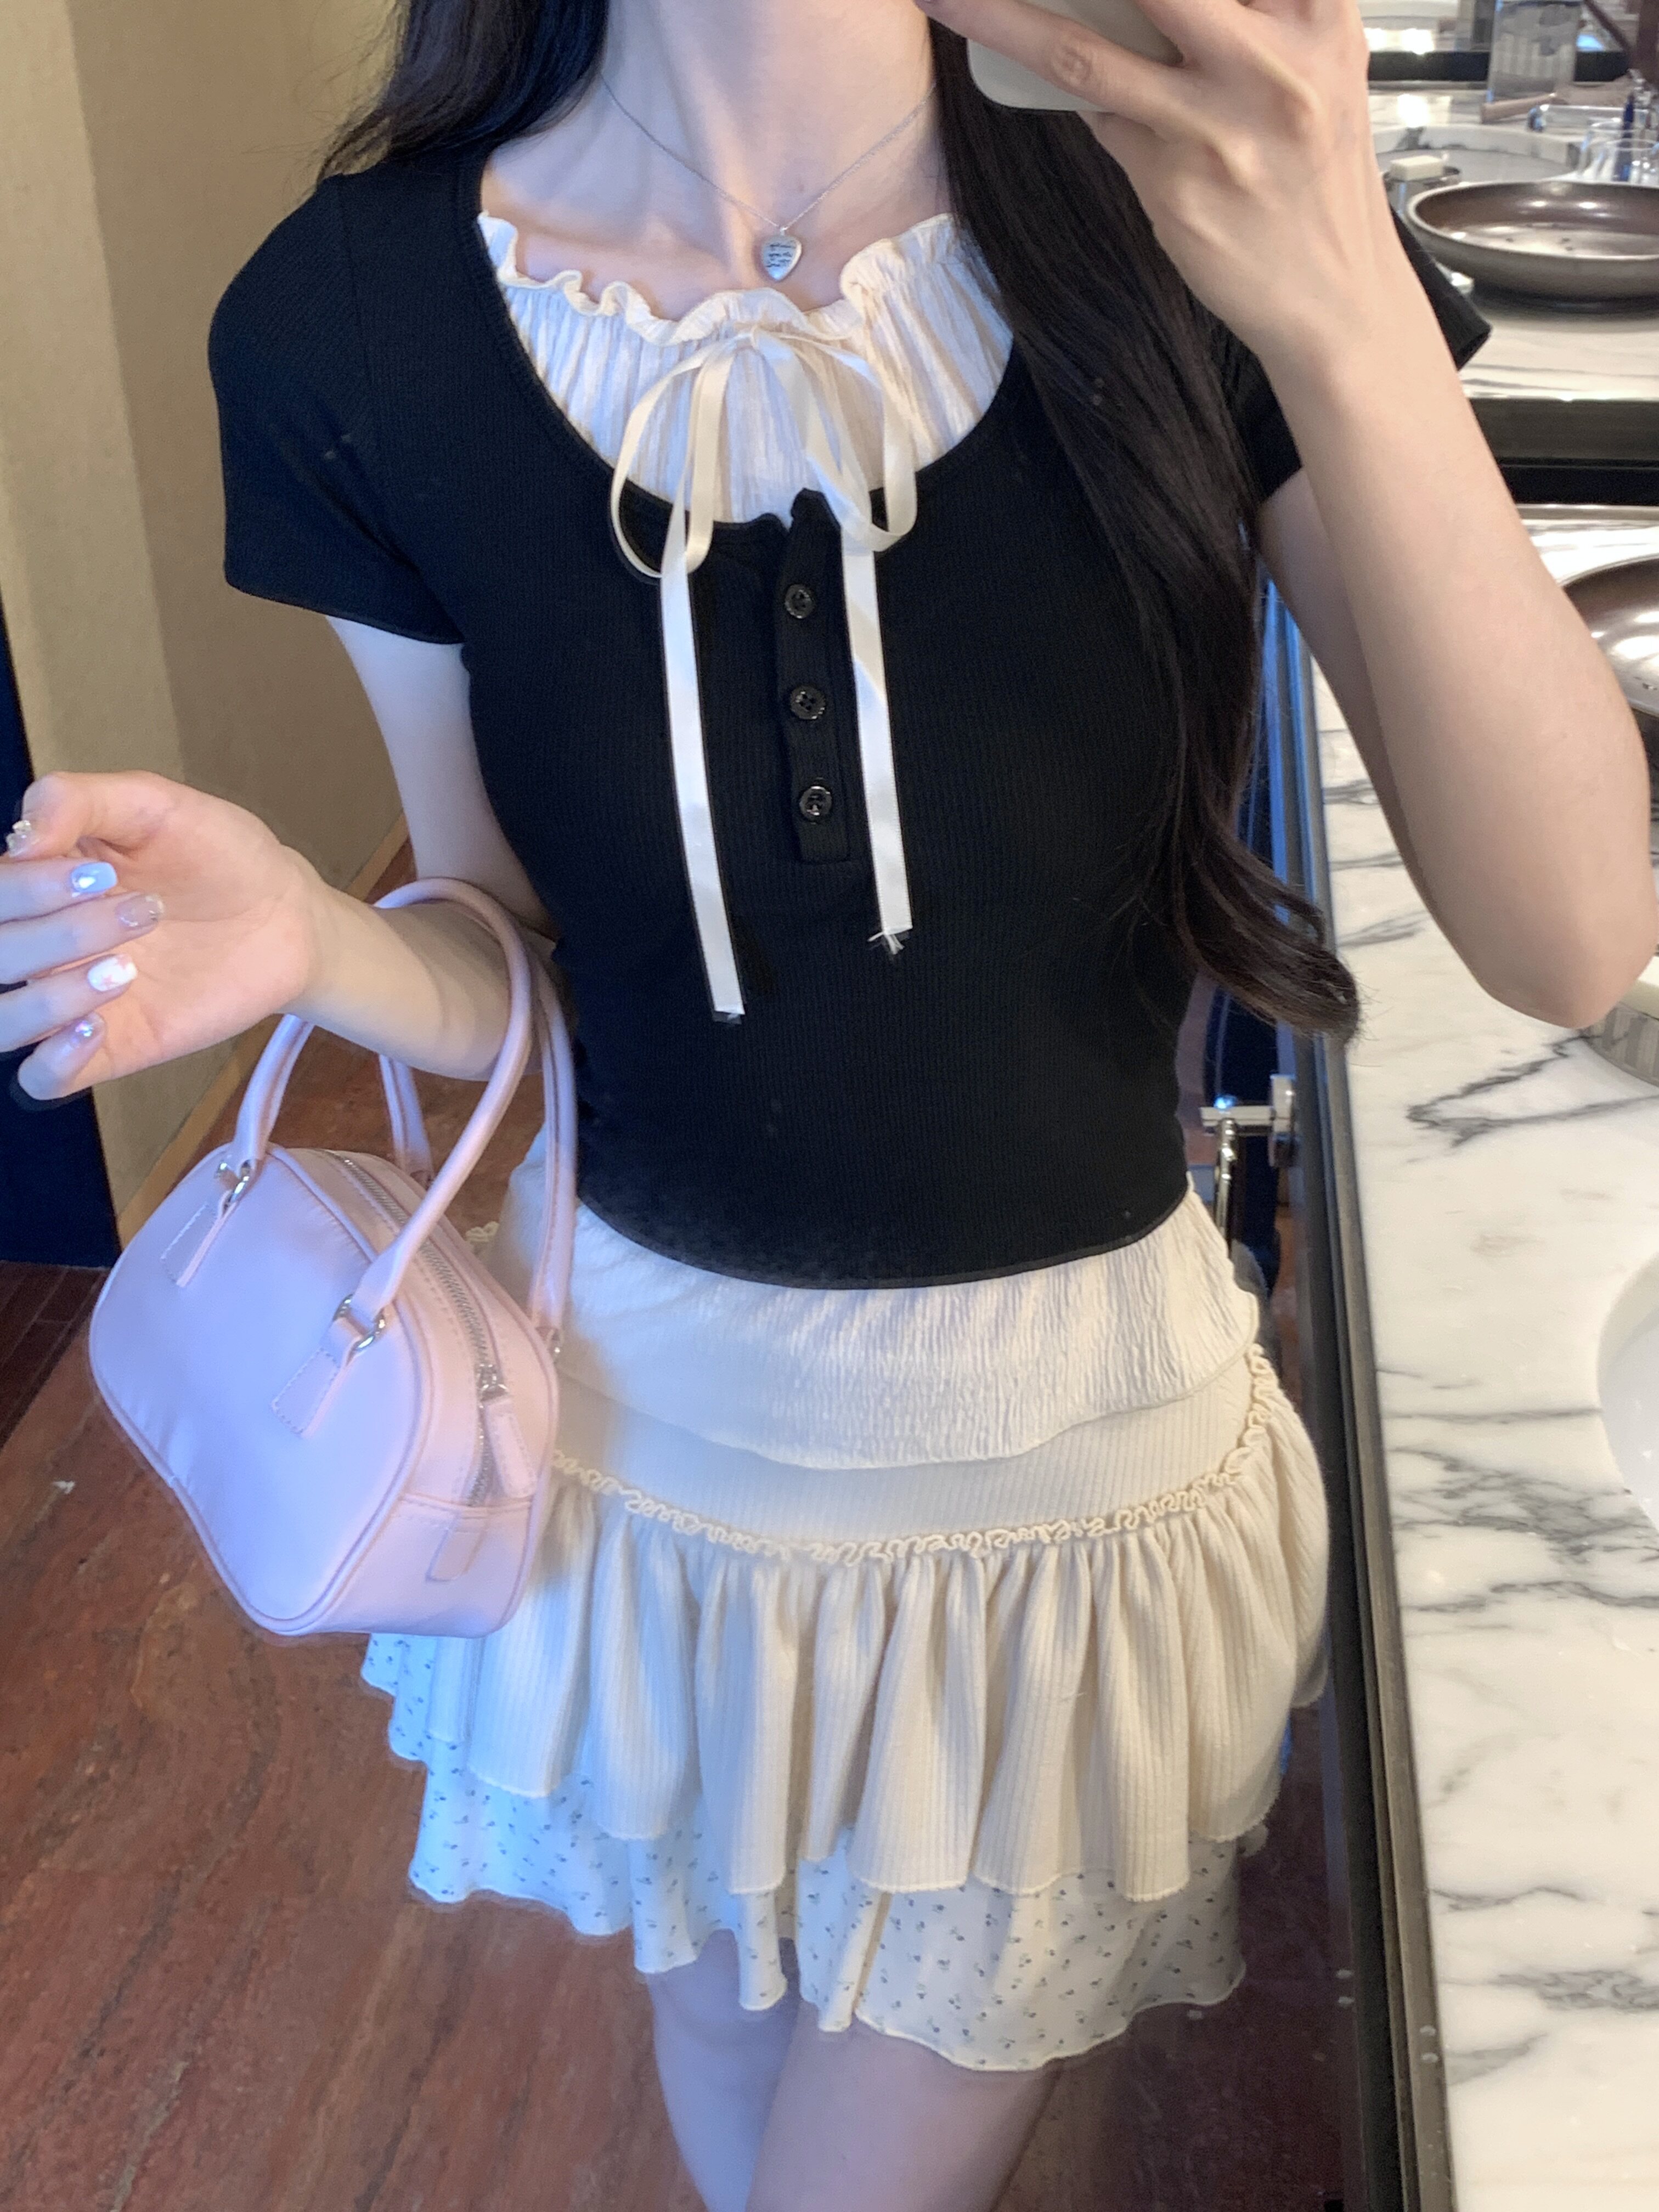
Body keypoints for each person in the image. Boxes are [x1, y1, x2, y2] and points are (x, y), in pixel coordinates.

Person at [3, 0, 1653, 2204]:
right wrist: (318, 938)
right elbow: (525, 965)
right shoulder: (350, 325)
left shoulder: (1193, 217)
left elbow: (1571, 932)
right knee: (727, 2015)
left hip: (1065, 1491)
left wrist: (1341, 288)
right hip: (642, 1470)